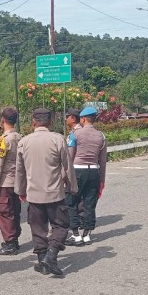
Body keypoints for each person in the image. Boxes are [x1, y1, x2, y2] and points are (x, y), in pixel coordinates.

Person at [15, 108, 77, 277]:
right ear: (50, 122)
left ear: (33, 122)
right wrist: (72, 186)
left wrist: (20, 190)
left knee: (38, 228)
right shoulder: (58, 139)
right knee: (61, 225)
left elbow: (20, 170)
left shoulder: (24, 142)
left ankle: (43, 260)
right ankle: (51, 255)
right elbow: (67, 165)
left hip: (34, 194)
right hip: (54, 193)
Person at [66, 105, 107, 246]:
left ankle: (76, 234)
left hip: (77, 171)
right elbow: (103, 161)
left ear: (83, 119)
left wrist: (66, 176)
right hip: (94, 172)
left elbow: (69, 157)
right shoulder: (101, 136)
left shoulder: (75, 135)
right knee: (89, 204)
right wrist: (102, 180)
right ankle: (87, 234)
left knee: (72, 202)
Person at [0, 107, 22, 255]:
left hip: (4, 182)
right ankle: (14, 240)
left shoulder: (2, 140)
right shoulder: (20, 138)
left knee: (4, 212)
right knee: (15, 210)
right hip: (17, 181)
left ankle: (10, 243)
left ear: (2, 120)